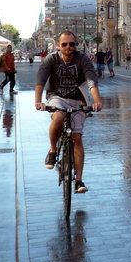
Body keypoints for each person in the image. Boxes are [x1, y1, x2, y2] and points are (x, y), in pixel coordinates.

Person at [34, 31, 102, 194]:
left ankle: (79, 180)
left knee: (77, 137)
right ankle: (52, 150)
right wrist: (38, 101)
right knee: (58, 117)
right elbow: (40, 80)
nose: (68, 47)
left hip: (79, 99)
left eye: (72, 44)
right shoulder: (52, 59)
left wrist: (97, 101)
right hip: (57, 97)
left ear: (75, 45)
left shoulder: (83, 59)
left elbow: (91, 80)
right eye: (64, 44)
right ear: (58, 45)